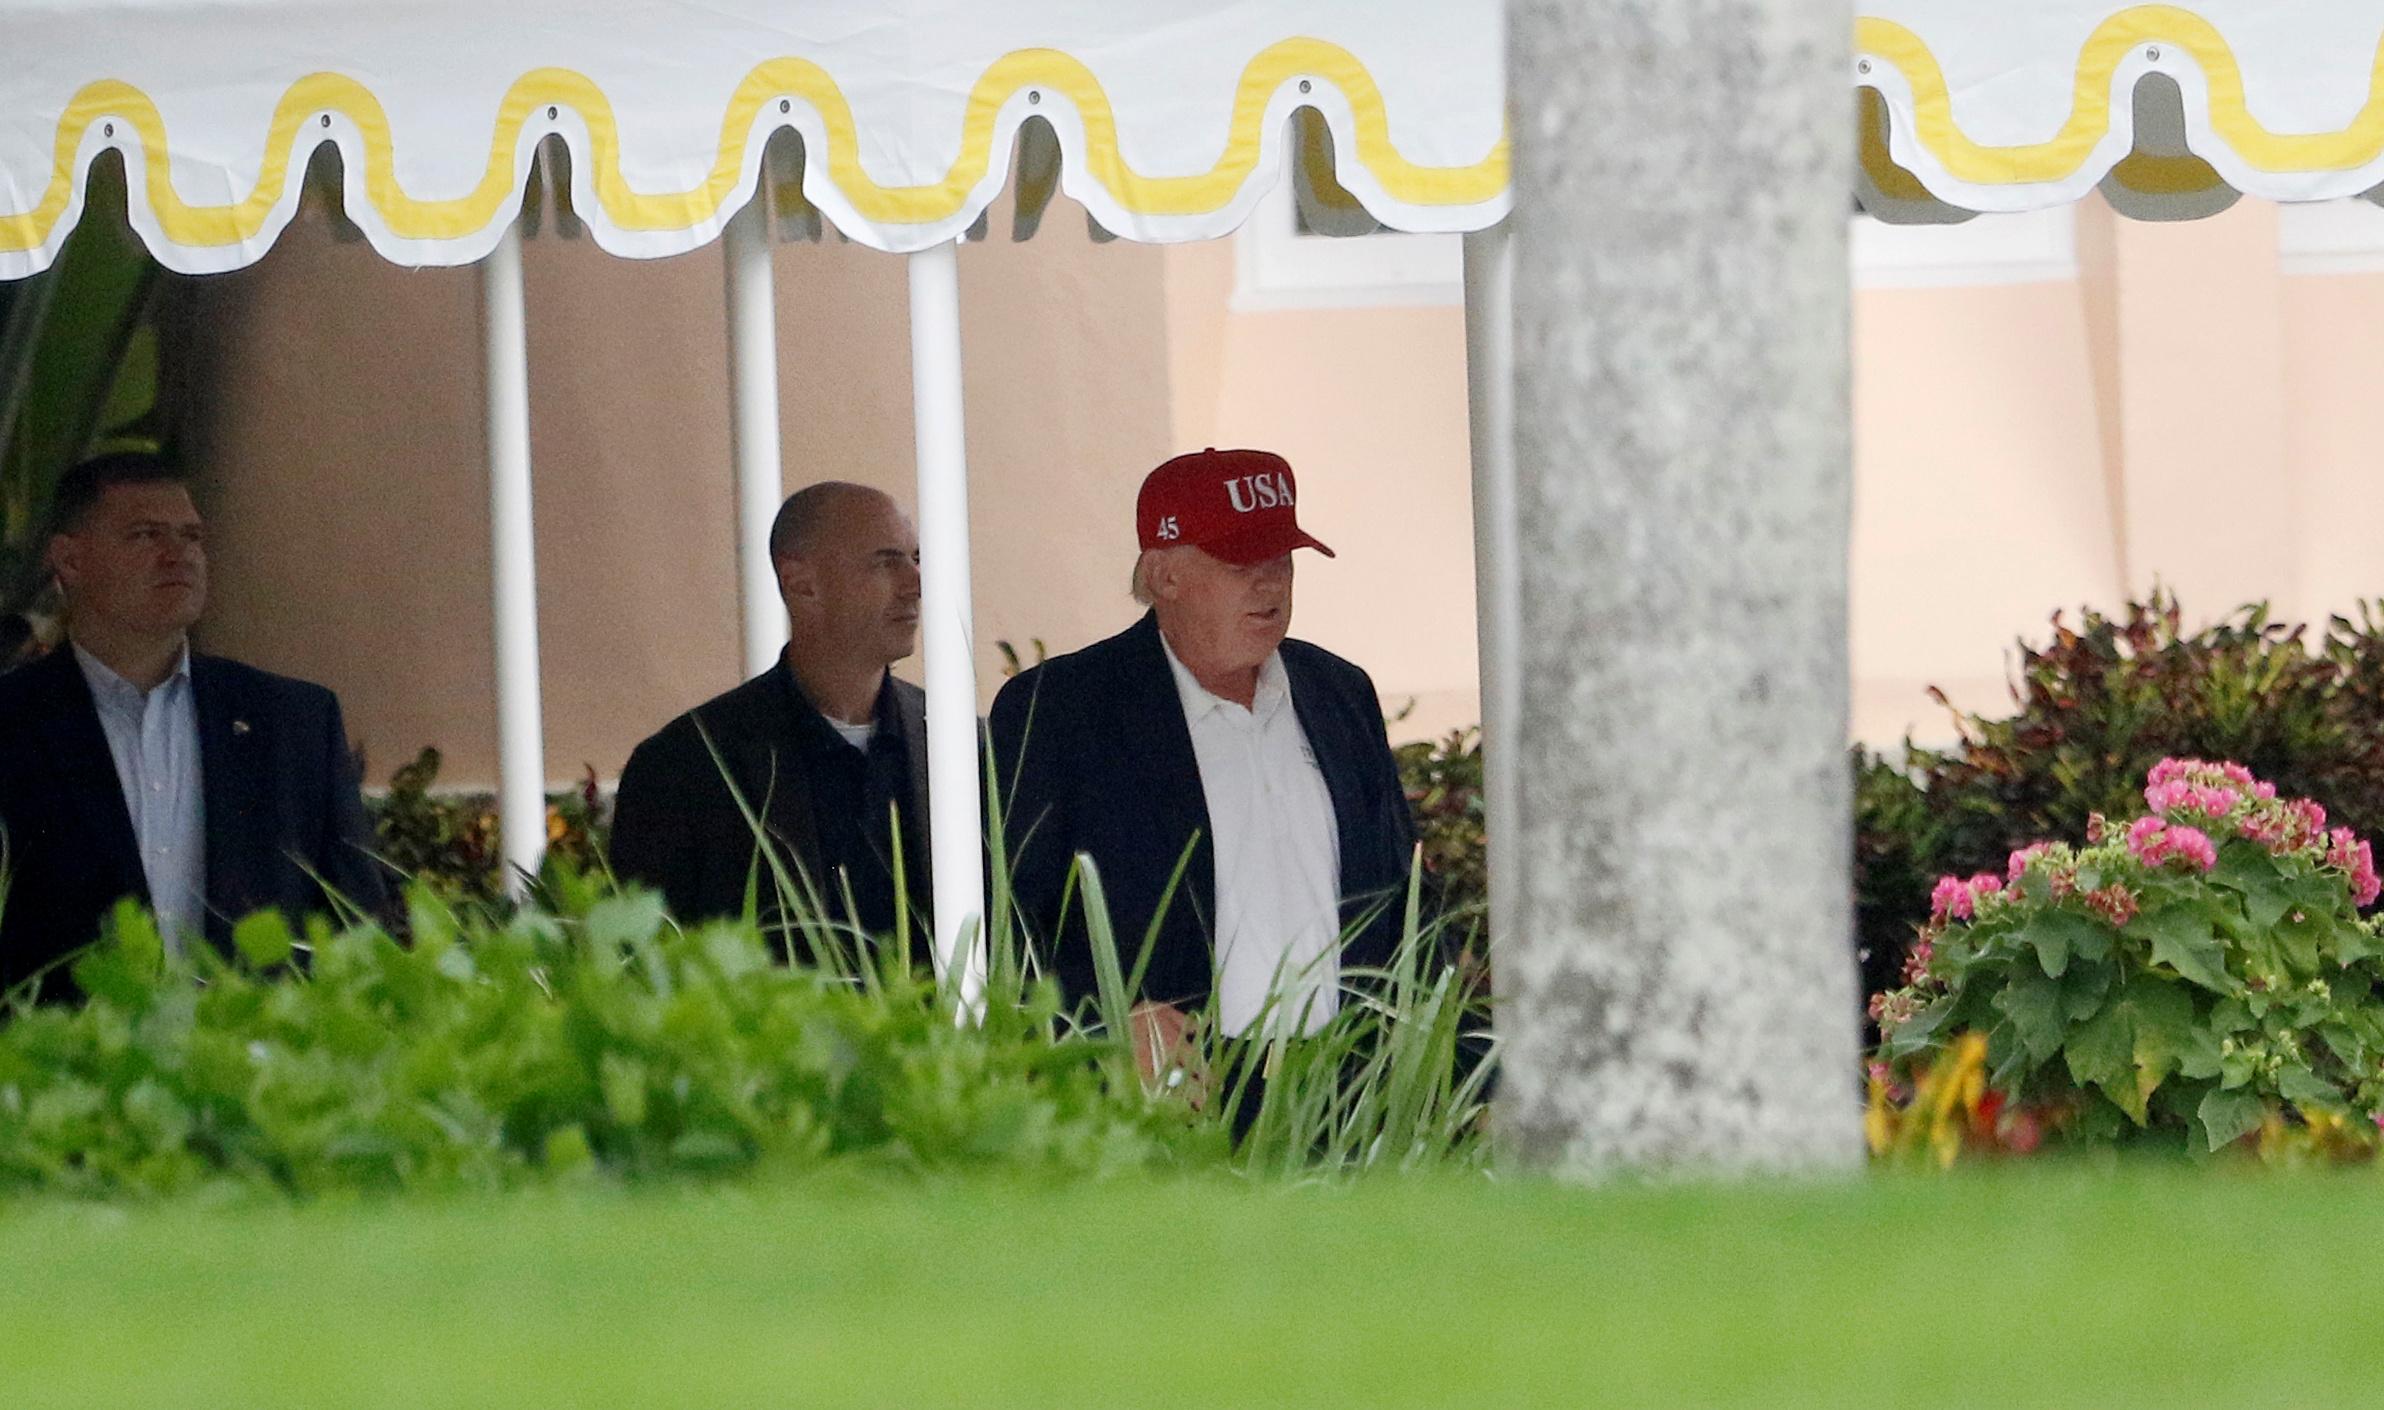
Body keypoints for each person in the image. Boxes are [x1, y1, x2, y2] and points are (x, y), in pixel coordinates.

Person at [989, 448, 1422, 1078]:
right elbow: (1011, 922)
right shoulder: (1062, 710)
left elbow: (1404, 896)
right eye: (1241, 560)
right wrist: (1101, 1025)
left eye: (1282, 556)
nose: (1270, 582)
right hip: (1174, 1098)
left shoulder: (1338, 692)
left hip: (1347, 1092)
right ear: (1164, 574)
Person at [0, 453, 387, 996]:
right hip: (60, 1065)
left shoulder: (293, 722)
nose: (178, 555)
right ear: (69, 560)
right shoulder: (14, 722)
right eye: (145, 535)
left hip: (255, 1065)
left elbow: (355, 925)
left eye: (191, 536)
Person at [610, 482, 929, 962]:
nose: (915, 583)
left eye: (915, 558)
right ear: (801, 581)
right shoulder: (687, 767)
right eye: (885, 561)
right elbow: (644, 963)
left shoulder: (966, 751)